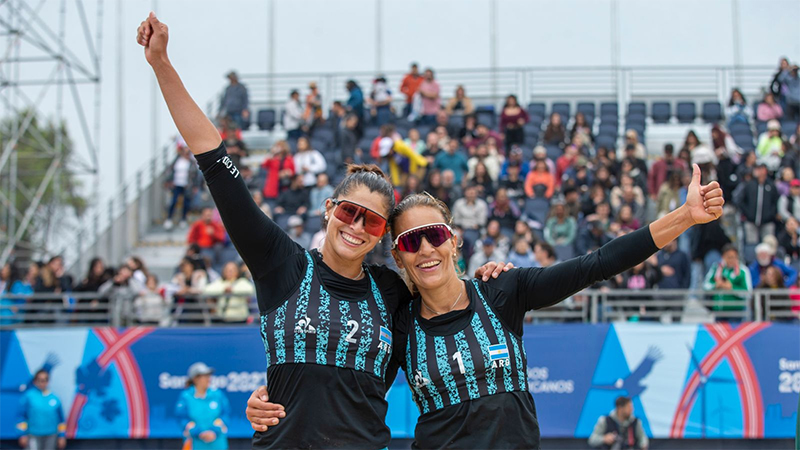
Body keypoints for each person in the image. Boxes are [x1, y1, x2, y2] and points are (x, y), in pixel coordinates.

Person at [138, 14, 510, 448]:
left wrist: (489, 278)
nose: (357, 226)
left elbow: (449, 303)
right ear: (329, 210)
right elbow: (214, 160)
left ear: (382, 235)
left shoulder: (392, 292)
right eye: (349, 212)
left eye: (372, 221)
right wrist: (161, 63)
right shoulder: (282, 265)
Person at [380, 165, 721, 449]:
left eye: (435, 235)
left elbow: (597, 264)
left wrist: (685, 216)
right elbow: (356, 401)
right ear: (397, 256)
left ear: (453, 242)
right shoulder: (399, 327)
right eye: (410, 241)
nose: (425, 249)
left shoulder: (501, 291)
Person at [176, 362, 230, 450]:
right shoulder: (186, 396)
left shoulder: (217, 394)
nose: (208, 378)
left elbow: (225, 415)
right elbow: (182, 418)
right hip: (194, 445)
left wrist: (214, 431)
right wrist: (199, 433)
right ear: (195, 379)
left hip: (218, 445)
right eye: (204, 376)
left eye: (209, 375)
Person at [16, 369, 67, 450]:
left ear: (48, 381)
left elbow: (61, 420)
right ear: (35, 381)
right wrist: (22, 434)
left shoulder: (55, 398)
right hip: (33, 434)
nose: (42, 383)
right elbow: (20, 416)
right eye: (39, 380)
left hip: (51, 435)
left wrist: (61, 436)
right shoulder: (29, 396)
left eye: (44, 380)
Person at [703, 244, 752, 312]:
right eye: (728, 257)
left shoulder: (743, 270)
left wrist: (732, 288)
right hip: (718, 310)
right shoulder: (716, 268)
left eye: (733, 257)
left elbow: (748, 293)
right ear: (723, 257)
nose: (731, 260)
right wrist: (716, 285)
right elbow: (705, 285)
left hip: (737, 311)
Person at [740, 163, 779, 246]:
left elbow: (775, 202)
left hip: (767, 222)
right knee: (751, 245)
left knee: (768, 245)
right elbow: (742, 200)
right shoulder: (749, 185)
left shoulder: (771, 185)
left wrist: (770, 214)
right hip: (751, 221)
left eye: (762, 169)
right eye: (758, 169)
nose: (760, 171)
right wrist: (747, 213)